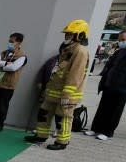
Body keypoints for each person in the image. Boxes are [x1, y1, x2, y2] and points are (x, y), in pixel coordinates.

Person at [25, 19, 89, 150]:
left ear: (80, 35)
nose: (66, 36)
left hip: (66, 95)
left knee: (63, 117)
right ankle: (41, 136)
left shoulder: (80, 52)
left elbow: (75, 75)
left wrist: (67, 94)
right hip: (54, 91)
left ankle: (62, 142)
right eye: (66, 34)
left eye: (70, 34)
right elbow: (58, 71)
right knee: (44, 112)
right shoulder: (67, 49)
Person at [84, 29, 126, 141]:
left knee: (114, 111)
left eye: (123, 39)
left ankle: (108, 131)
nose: (120, 42)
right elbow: (110, 66)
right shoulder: (119, 51)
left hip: (121, 88)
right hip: (108, 84)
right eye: (119, 39)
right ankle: (96, 129)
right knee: (102, 108)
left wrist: (124, 82)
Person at [0, 32, 27, 132]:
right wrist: (6, 62)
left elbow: (13, 67)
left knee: (2, 106)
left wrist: (1, 64)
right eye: (9, 41)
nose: (9, 43)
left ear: (19, 43)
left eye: (12, 41)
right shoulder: (4, 53)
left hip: (8, 86)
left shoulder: (22, 56)